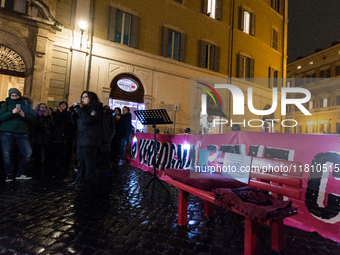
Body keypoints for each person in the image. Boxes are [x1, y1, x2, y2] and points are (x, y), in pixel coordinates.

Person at [0, 88, 36, 181]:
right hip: (7, 132)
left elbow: (33, 118)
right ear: (10, 96)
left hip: (22, 132)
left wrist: (24, 115)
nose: (14, 97)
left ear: (19, 95)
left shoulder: (25, 105)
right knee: (7, 154)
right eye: (12, 95)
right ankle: (9, 174)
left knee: (28, 153)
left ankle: (20, 173)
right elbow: (1, 117)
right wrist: (11, 112)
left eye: (16, 95)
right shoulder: (6, 104)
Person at [70, 91, 102, 188]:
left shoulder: (96, 109)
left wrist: (78, 110)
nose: (82, 99)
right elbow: (75, 123)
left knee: (89, 162)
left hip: (90, 140)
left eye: (85, 97)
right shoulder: (83, 109)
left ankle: (88, 183)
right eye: (82, 97)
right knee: (81, 162)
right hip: (81, 139)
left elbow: (89, 119)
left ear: (91, 98)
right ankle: (79, 181)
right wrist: (73, 113)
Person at [51, 101, 74, 176]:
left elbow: (70, 123)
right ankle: (54, 167)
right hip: (56, 136)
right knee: (55, 153)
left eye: (65, 105)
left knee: (64, 153)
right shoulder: (56, 113)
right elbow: (56, 122)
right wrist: (60, 113)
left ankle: (63, 167)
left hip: (65, 137)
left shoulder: (68, 114)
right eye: (62, 104)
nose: (63, 106)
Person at [33, 103, 54, 174]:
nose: (43, 109)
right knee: (38, 153)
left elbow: (51, 125)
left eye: (44, 107)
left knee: (47, 153)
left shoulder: (48, 117)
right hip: (38, 136)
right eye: (41, 107)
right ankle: (37, 167)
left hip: (47, 136)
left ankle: (46, 167)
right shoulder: (36, 116)